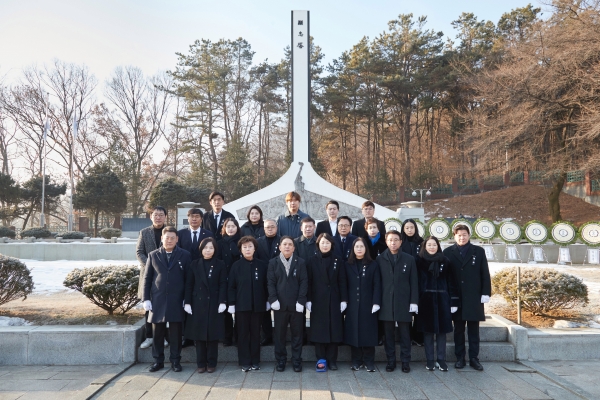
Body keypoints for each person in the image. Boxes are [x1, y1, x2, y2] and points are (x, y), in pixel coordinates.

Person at [443, 224, 491, 371]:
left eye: (464, 235)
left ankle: (474, 358)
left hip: (473, 296)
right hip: (456, 297)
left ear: (469, 235)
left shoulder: (478, 251)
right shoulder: (448, 252)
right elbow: (445, 276)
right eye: (459, 235)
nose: (462, 237)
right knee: (458, 329)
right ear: (454, 236)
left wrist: (486, 292)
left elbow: (485, 273)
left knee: (473, 329)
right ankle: (460, 358)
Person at [143, 226, 191, 373]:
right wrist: (146, 299)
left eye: (172, 238)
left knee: (176, 333)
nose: (169, 240)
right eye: (167, 238)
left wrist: (187, 299)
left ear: (177, 239)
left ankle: (175, 361)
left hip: (177, 299)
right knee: (157, 333)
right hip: (158, 299)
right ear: (162, 238)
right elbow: (147, 278)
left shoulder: (185, 255)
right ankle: (158, 361)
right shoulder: (153, 255)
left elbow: (189, 280)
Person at [377, 230, 418, 373]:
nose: (393, 242)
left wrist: (414, 301)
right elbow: (377, 283)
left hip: (403, 302)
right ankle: (391, 361)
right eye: (390, 240)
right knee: (388, 335)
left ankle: (405, 361)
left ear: (401, 242)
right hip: (386, 302)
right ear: (386, 242)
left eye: (396, 240)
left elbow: (414, 282)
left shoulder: (409, 259)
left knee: (405, 334)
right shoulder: (380, 259)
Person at [184, 237, 227, 373]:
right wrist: (187, 302)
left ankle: (212, 363)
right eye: (205, 248)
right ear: (201, 249)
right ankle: (201, 363)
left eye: (211, 248)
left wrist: (222, 301)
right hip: (198, 303)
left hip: (214, 303)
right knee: (199, 335)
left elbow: (223, 284)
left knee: (213, 335)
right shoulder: (194, 264)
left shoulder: (220, 264)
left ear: (215, 250)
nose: (208, 250)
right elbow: (189, 284)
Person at [306, 233, 347, 371]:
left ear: (331, 245)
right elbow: (309, 282)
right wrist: (308, 299)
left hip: (334, 298)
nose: (325, 245)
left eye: (327, 243)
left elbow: (342, 281)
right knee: (319, 330)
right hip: (318, 299)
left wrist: (344, 299)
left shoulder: (338, 260)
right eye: (322, 242)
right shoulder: (311, 260)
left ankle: (332, 360)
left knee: (334, 329)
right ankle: (321, 359)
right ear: (318, 244)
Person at [227, 236, 270, 372]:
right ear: (240, 249)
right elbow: (231, 286)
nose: (247, 249)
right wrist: (231, 303)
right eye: (244, 247)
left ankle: (255, 361)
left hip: (258, 305)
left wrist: (268, 300)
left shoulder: (262, 265)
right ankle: (244, 361)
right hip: (241, 306)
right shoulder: (236, 266)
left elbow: (266, 285)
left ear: (255, 248)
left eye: (250, 246)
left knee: (256, 333)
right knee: (243, 334)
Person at [417, 236, 459, 372]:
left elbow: (451, 282)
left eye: (434, 245)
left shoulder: (445, 261)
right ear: (425, 246)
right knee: (428, 333)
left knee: (442, 333)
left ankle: (441, 360)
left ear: (438, 246)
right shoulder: (419, 261)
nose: (432, 247)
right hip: (425, 300)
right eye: (429, 245)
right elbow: (416, 282)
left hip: (442, 300)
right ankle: (429, 360)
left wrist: (453, 301)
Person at [267, 236, 308, 372]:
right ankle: (281, 360)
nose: (287, 246)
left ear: (294, 248)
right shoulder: (273, 262)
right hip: (280, 305)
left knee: (297, 335)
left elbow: (304, 282)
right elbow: (270, 282)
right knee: (280, 335)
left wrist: (301, 301)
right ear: (280, 247)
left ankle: (296, 360)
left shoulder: (300, 262)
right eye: (284, 244)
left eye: (290, 244)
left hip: (296, 305)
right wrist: (273, 299)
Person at [344, 237, 381, 372]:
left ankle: (369, 361)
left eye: (361, 246)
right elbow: (343, 284)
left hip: (368, 303)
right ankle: (356, 360)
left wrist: (376, 302)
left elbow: (377, 284)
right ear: (353, 249)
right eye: (357, 247)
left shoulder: (373, 264)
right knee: (354, 332)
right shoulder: (347, 264)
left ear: (366, 249)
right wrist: (344, 301)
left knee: (368, 332)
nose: (359, 249)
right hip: (352, 304)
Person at [136, 206, 167, 350]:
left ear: (165, 217)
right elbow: (139, 252)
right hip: (148, 275)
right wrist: (151, 265)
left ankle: (164, 336)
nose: (158, 217)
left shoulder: (170, 232)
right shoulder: (144, 232)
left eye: (161, 215)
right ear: (151, 216)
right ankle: (149, 336)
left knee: (164, 307)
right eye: (155, 215)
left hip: (165, 275)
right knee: (148, 308)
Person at [255, 218, 281, 346]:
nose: (270, 229)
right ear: (263, 229)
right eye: (267, 227)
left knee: (279, 309)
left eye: (272, 226)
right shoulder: (258, 242)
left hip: (280, 279)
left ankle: (279, 336)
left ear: (277, 227)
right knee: (265, 309)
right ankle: (267, 335)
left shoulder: (282, 241)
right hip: (263, 279)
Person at [217, 218, 241, 347]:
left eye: (233, 226)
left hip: (239, 280)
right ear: (224, 229)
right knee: (226, 311)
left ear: (237, 227)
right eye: (228, 227)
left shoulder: (241, 241)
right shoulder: (220, 243)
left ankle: (238, 336)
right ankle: (227, 336)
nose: (231, 229)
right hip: (224, 279)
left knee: (239, 310)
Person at [400, 219, 425, 347]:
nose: (409, 230)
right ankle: (407, 337)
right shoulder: (400, 242)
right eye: (407, 228)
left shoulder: (421, 242)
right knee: (406, 310)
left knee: (419, 310)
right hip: (404, 280)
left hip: (419, 279)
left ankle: (418, 337)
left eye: (412, 227)